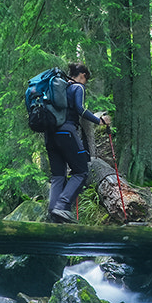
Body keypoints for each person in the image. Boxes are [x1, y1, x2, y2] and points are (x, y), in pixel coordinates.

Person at [45, 63, 111, 223]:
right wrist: (99, 120)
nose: (85, 82)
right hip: (66, 133)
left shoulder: (57, 87)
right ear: (81, 75)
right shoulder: (77, 88)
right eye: (85, 79)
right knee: (81, 171)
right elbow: (80, 109)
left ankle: (53, 214)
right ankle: (62, 206)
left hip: (49, 135)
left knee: (58, 176)